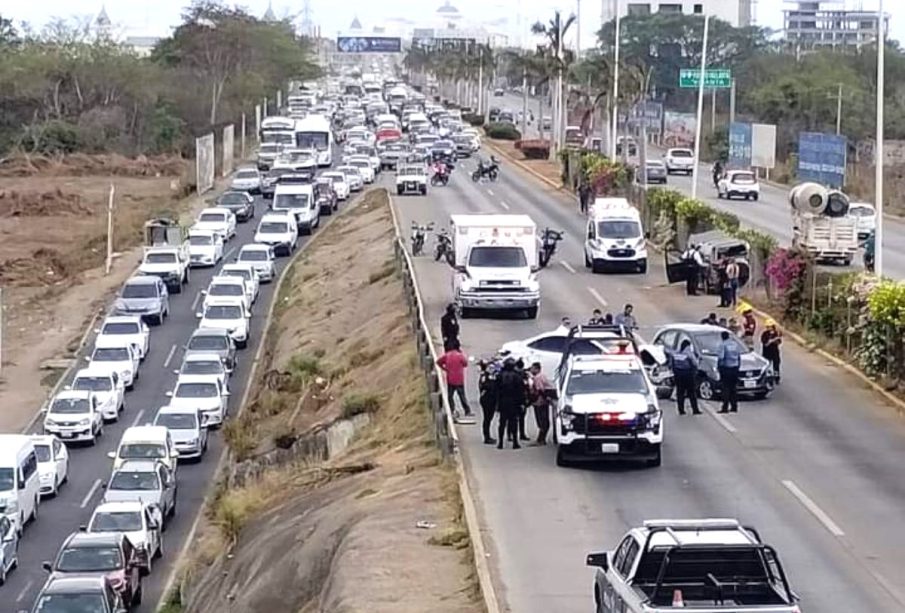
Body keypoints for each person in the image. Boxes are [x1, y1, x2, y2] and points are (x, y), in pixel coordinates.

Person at [436, 341, 472, 418]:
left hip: (450, 379)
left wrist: (445, 368)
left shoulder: (447, 355)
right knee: (462, 396)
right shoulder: (460, 356)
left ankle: (452, 410)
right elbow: (465, 364)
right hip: (459, 379)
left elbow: (438, 362)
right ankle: (467, 411)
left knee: (450, 396)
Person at [496, 358, 526, 449]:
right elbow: (521, 391)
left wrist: (497, 403)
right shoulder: (517, 377)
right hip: (514, 402)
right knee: (514, 422)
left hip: (503, 402)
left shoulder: (500, 376)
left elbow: (496, 391)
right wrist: (522, 403)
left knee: (502, 423)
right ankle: (515, 442)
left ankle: (500, 442)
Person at [668, 339, 701, 415]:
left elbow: (671, 365)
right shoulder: (689, 353)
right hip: (688, 375)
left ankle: (681, 410)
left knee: (680, 393)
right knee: (692, 393)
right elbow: (695, 364)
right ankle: (695, 409)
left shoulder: (675, 354)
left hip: (678, 375)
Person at [529, 362, 555, 444]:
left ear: (537, 369)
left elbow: (540, 390)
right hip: (544, 401)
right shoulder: (543, 376)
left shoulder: (538, 378)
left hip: (540, 402)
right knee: (544, 420)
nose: (531, 370)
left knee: (541, 421)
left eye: (532, 368)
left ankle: (541, 440)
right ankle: (541, 439)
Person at [717, 330, 742, 413]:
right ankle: (734, 407)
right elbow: (739, 356)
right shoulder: (735, 344)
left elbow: (721, 357)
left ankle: (725, 408)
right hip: (735, 368)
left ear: (722, 337)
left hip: (726, 368)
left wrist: (719, 367)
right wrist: (738, 367)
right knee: (733, 388)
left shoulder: (723, 345)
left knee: (725, 389)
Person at [478, 359, 498, 444]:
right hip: (486, 399)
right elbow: (484, 386)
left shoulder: (490, 376)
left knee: (489, 418)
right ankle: (487, 437)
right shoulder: (484, 376)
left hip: (492, 399)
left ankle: (488, 436)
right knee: (487, 418)